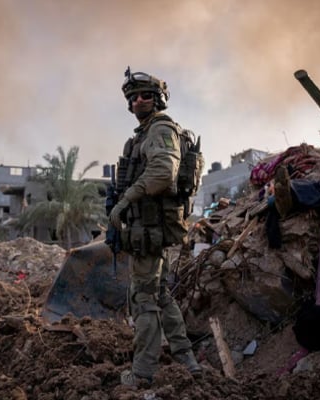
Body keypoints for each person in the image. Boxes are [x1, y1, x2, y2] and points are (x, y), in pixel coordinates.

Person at [109, 68, 201, 387]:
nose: (137, 101)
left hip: (150, 229)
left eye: (145, 95)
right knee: (160, 295)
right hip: (148, 229)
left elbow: (163, 171)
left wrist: (125, 202)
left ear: (159, 98)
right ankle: (187, 360)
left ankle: (143, 373)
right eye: (132, 97)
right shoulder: (144, 134)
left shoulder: (160, 130)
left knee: (143, 298)